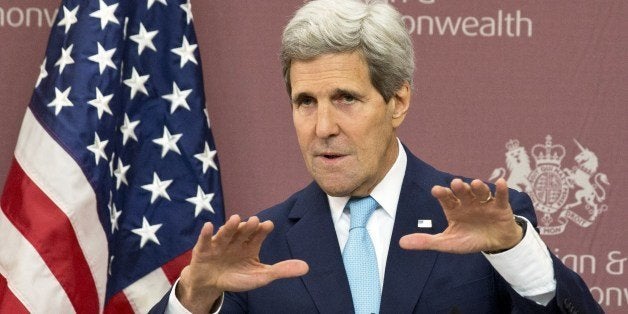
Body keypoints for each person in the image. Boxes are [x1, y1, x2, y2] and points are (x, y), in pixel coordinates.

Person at [151, 0, 601, 313]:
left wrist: (514, 252)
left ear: (397, 101)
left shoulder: (485, 223)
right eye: (305, 101)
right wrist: (194, 296)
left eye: (345, 98)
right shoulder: (261, 246)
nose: (322, 126)